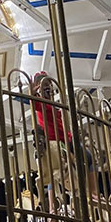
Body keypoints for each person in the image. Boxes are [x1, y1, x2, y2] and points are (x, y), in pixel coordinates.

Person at [31, 72, 99, 205]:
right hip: (55, 141)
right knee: (54, 169)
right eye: (44, 85)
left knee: (88, 158)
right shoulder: (40, 102)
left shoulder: (54, 104)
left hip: (66, 139)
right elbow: (34, 104)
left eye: (49, 85)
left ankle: (92, 192)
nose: (48, 88)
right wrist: (32, 94)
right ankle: (53, 204)